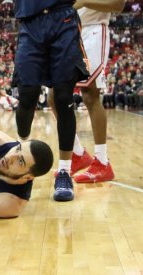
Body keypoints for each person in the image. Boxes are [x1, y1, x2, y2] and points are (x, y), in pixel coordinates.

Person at [13, 1, 90, 202]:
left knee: (64, 96)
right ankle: (21, 155)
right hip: (30, 21)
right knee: (27, 95)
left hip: (63, 17)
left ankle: (64, 172)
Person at [47, 0, 123, 184]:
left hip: (93, 30)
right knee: (55, 97)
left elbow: (118, 5)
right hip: (67, 32)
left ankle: (102, 162)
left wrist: (83, 2)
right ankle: (78, 153)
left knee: (90, 95)